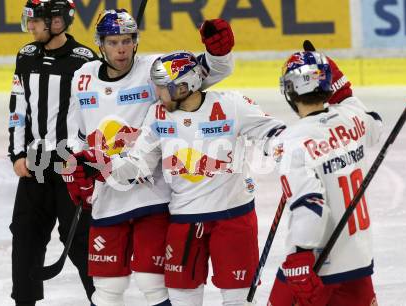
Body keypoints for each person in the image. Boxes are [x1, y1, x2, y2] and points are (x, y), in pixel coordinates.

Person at [69, 50, 285, 306]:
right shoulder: (157, 115)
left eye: (162, 88)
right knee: (182, 301)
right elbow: (139, 167)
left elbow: (274, 132)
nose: (156, 93)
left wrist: (285, 155)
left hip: (233, 217)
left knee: (238, 299)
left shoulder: (232, 104)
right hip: (184, 219)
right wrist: (103, 165)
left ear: (185, 86)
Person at [62, 10, 236, 306]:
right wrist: (75, 171)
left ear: (135, 41)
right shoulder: (83, 77)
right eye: (114, 42)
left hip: (152, 193)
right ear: (100, 44)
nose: (121, 49)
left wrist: (218, 52)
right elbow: (76, 135)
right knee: (107, 289)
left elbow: (207, 72)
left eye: (127, 41)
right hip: (107, 195)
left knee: (152, 281)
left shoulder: (153, 70)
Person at [267, 50, 382, 306]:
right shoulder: (354, 118)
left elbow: (310, 204)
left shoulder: (291, 141)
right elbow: (375, 125)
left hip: (317, 264)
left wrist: (301, 256)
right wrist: (337, 79)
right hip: (358, 260)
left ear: (290, 90)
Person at [8, 0, 97, 305]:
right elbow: (17, 108)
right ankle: (24, 300)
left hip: (71, 164)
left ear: (56, 22)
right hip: (35, 163)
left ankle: (102, 299)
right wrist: (17, 153)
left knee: (81, 241)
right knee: (25, 236)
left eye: (36, 21)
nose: (30, 27)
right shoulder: (26, 56)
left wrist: (89, 157)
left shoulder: (84, 61)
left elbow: (95, 113)